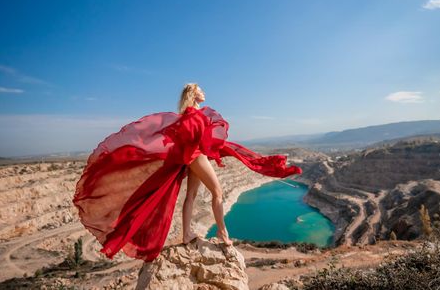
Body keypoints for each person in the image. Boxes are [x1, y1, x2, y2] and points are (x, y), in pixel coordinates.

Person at [72, 82, 302, 262]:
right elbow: (191, 140)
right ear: (193, 93)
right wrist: (202, 151)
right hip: (194, 158)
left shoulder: (192, 113)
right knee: (218, 192)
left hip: (194, 158)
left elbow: (196, 138)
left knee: (191, 196)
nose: (204, 92)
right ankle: (223, 234)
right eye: (200, 89)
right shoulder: (192, 113)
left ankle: (186, 235)